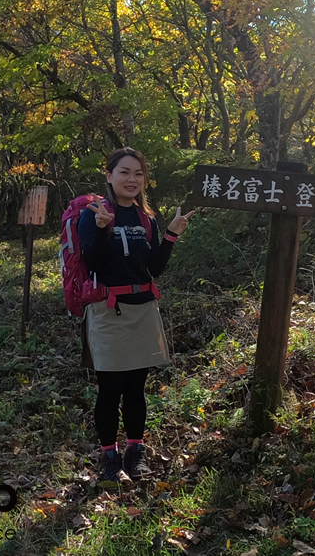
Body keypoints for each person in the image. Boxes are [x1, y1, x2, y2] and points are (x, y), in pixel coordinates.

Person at [78, 147, 194, 483]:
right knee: (110, 388)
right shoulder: (94, 213)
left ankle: (135, 452)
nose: (132, 179)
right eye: (124, 172)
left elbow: (154, 268)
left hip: (143, 308)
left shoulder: (146, 219)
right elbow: (94, 263)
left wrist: (170, 234)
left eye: (138, 173)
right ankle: (109, 459)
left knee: (136, 388)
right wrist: (101, 228)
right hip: (108, 310)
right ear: (109, 176)